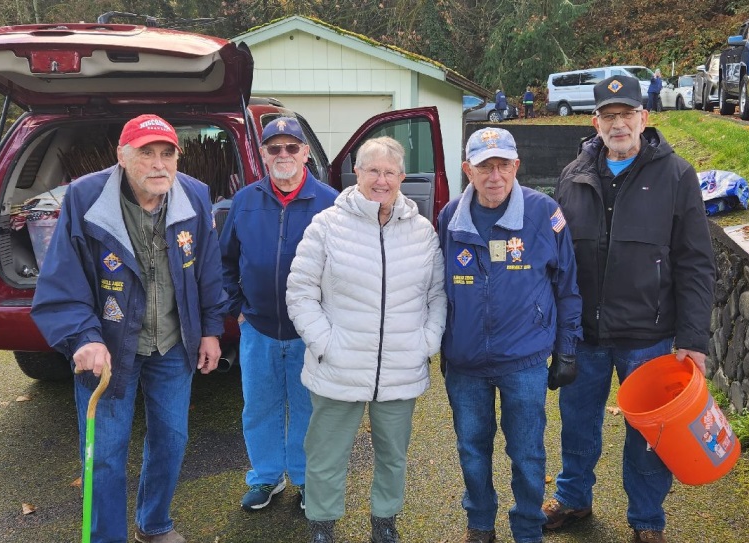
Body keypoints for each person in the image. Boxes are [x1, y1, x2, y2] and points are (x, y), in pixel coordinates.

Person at [31, 113, 226, 543]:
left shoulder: (194, 195)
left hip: (173, 344)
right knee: (104, 452)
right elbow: (63, 278)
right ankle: (106, 537)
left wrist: (211, 330)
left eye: (167, 154)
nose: (159, 164)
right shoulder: (86, 197)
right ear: (122, 156)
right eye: (146, 153)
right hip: (110, 348)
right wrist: (83, 337)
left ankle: (153, 525)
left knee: (171, 439)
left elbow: (208, 270)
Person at [547, 75, 715, 543]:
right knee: (577, 425)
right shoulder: (572, 175)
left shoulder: (677, 175)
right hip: (585, 334)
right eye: (609, 116)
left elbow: (696, 263)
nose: (618, 124)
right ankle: (573, 498)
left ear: (644, 118)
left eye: (626, 114)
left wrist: (693, 339)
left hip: (649, 336)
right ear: (595, 122)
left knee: (649, 436)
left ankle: (646, 519)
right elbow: (556, 260)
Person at [286, 136, 447, 543]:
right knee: (326, 453)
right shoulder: (327, 225)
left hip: (400, 367)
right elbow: (301, 292)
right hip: (338, 365)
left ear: (402, 178)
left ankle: (384, 521)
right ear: (356, 173)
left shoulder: (422, 231)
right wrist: (325, 343)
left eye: (389, 172)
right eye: (372, 170)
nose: (381, 180)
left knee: (393, 455)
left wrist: (426, 342)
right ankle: (322, 524)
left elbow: (437, 295)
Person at [438, 127, 583, 543]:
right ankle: (480, 523)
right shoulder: (449, 217)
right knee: (471, 449)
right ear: (468, 170)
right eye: (484, 167)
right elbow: (434, 288)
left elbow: (567, 287)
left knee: (527, 452)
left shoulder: (544, 213)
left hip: (524, 362)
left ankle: (527, 528)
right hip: (465, 364)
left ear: (516, 166)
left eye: (503, 165)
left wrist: (566, 350)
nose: (495, 175)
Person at [220, 117, 339, 513]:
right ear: (263, 155)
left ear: (305, 153)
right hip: (258, 327)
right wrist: (237, 309)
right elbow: (224, 261)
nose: (283, 154)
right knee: (259, 407)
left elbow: (346, 268)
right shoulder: (244, 201)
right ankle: (266, 477)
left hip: (310, 332)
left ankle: (306, 479)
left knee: (308, 408)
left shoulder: (330, 203)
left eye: (292, 147)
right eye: (275, 148)